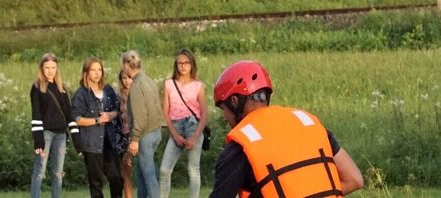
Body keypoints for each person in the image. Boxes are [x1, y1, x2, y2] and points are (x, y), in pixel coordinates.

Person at [209, 60, 364, 197]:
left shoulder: (240, 147)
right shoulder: (309, 123)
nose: (224, 118)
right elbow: (354, 179)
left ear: (234, 101)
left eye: (224, 110)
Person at [72, 57, 125, 198]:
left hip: (108, 141)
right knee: (96, 182)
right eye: (93, 70)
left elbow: (116, 109)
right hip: (91, 142)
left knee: (117, 179)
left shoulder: (108, 90)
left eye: (99, 70)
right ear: (86, 72)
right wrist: (97, 120)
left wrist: (110, 115)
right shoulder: (81, 94)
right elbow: (76, 119)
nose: (97, 73)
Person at [30, 52, 81, 198]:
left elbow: (69, 114)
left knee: (58, 173)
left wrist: (76, 138)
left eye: (53, 67)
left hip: (61, 135)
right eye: (47, 67)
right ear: (41, 68)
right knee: (40, 171)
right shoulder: (37, 88)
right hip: (45, 134)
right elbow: (36, 115)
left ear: (57, 68)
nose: (50, 71)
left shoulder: (61, 88)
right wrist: (38, 140)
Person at [159, 48, 208, 198]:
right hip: (176, 126)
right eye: (180, 63)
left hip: (193, 125)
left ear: (192, 64)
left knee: (193, 169)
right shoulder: (169, 84)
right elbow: (165, 112)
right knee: (164, 170)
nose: (183, 66)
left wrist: (195, 136)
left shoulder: (198, 86)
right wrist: (174, 134)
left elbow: (204, 114)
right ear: (176, 65)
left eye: (186, 63)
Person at [121, 50, 165, 198]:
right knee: (141, 172)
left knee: (148, 174)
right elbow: (157, 107)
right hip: (156, 131)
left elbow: (140, 115)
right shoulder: (149, 80)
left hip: (145, 135)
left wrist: (134, 139)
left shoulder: (136, 86)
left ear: (127, 65)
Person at [118, 69, 134, 198]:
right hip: (123, 136)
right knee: (125, 172)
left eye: (129, 77)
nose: (127, 80)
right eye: (124, 78)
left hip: (136, 135)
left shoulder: (138, 94)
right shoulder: (119, 96)